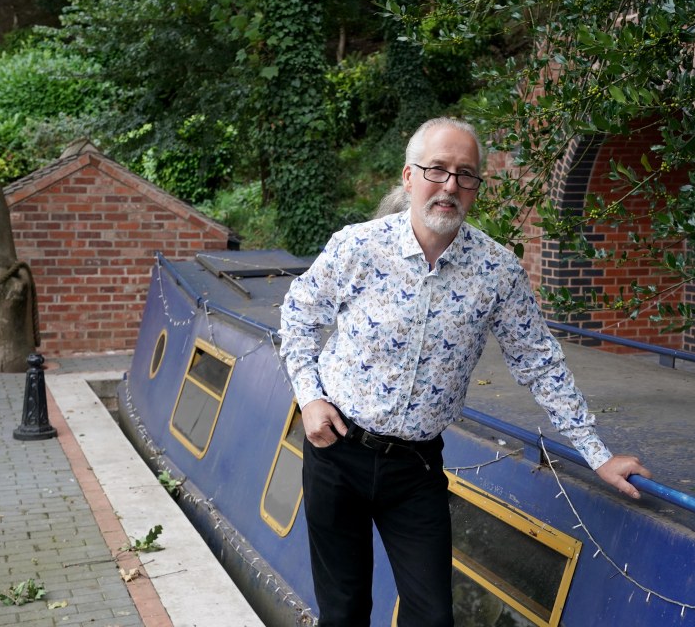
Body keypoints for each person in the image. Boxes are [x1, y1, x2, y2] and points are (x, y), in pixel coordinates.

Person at [278, 117, 651, 627]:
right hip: (337, 453)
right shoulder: (357, 248)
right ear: (409, 177)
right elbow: (298, 315)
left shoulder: (497, 271)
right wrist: (309, 396)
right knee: (343, 614)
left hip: (416, 470)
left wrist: (597, 455)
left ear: (475, 187)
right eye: (437, 170)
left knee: (433, 618)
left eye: (465, 174)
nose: (450, 185)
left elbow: (539, 362)